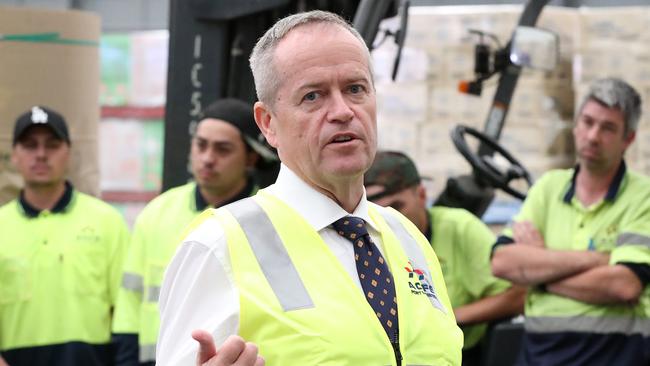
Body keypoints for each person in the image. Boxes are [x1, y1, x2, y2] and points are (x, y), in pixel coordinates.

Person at [156, 10, 463, 366]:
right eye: (313, 97)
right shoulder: (219, 246)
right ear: (268, 123)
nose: (343, 111)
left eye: (355, 89)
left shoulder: (407, 237)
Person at [491, 77, 650, 365]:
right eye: (587, 122)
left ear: (629, 139)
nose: (592, 136)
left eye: (608, 128)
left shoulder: (643, 198)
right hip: (539, 354)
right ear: (576, 125)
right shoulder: (548, 187)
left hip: (615, 355)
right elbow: (502, 262)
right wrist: (599, 259)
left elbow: (623, 285)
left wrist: (538, 271)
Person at [111, 98, 277, 366]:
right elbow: (130, 305)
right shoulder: (157, 212)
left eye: (223, 149)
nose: (208, 158)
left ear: (251, 157)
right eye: (201, 145)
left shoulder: (271, 219)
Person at [364, 150, 525, 365]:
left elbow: (518, 296)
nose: (387, 218)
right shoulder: (360, 240)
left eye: (396, 206)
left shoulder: (460, 228)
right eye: (376, 211)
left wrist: (447, 318)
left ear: (421, 195)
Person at [0, 106, 130, 365]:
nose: (40, 154)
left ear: (68, 152)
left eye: (52, 145)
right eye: (29, 145)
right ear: (14, 155)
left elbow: (127, 312)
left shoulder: (107, 222)